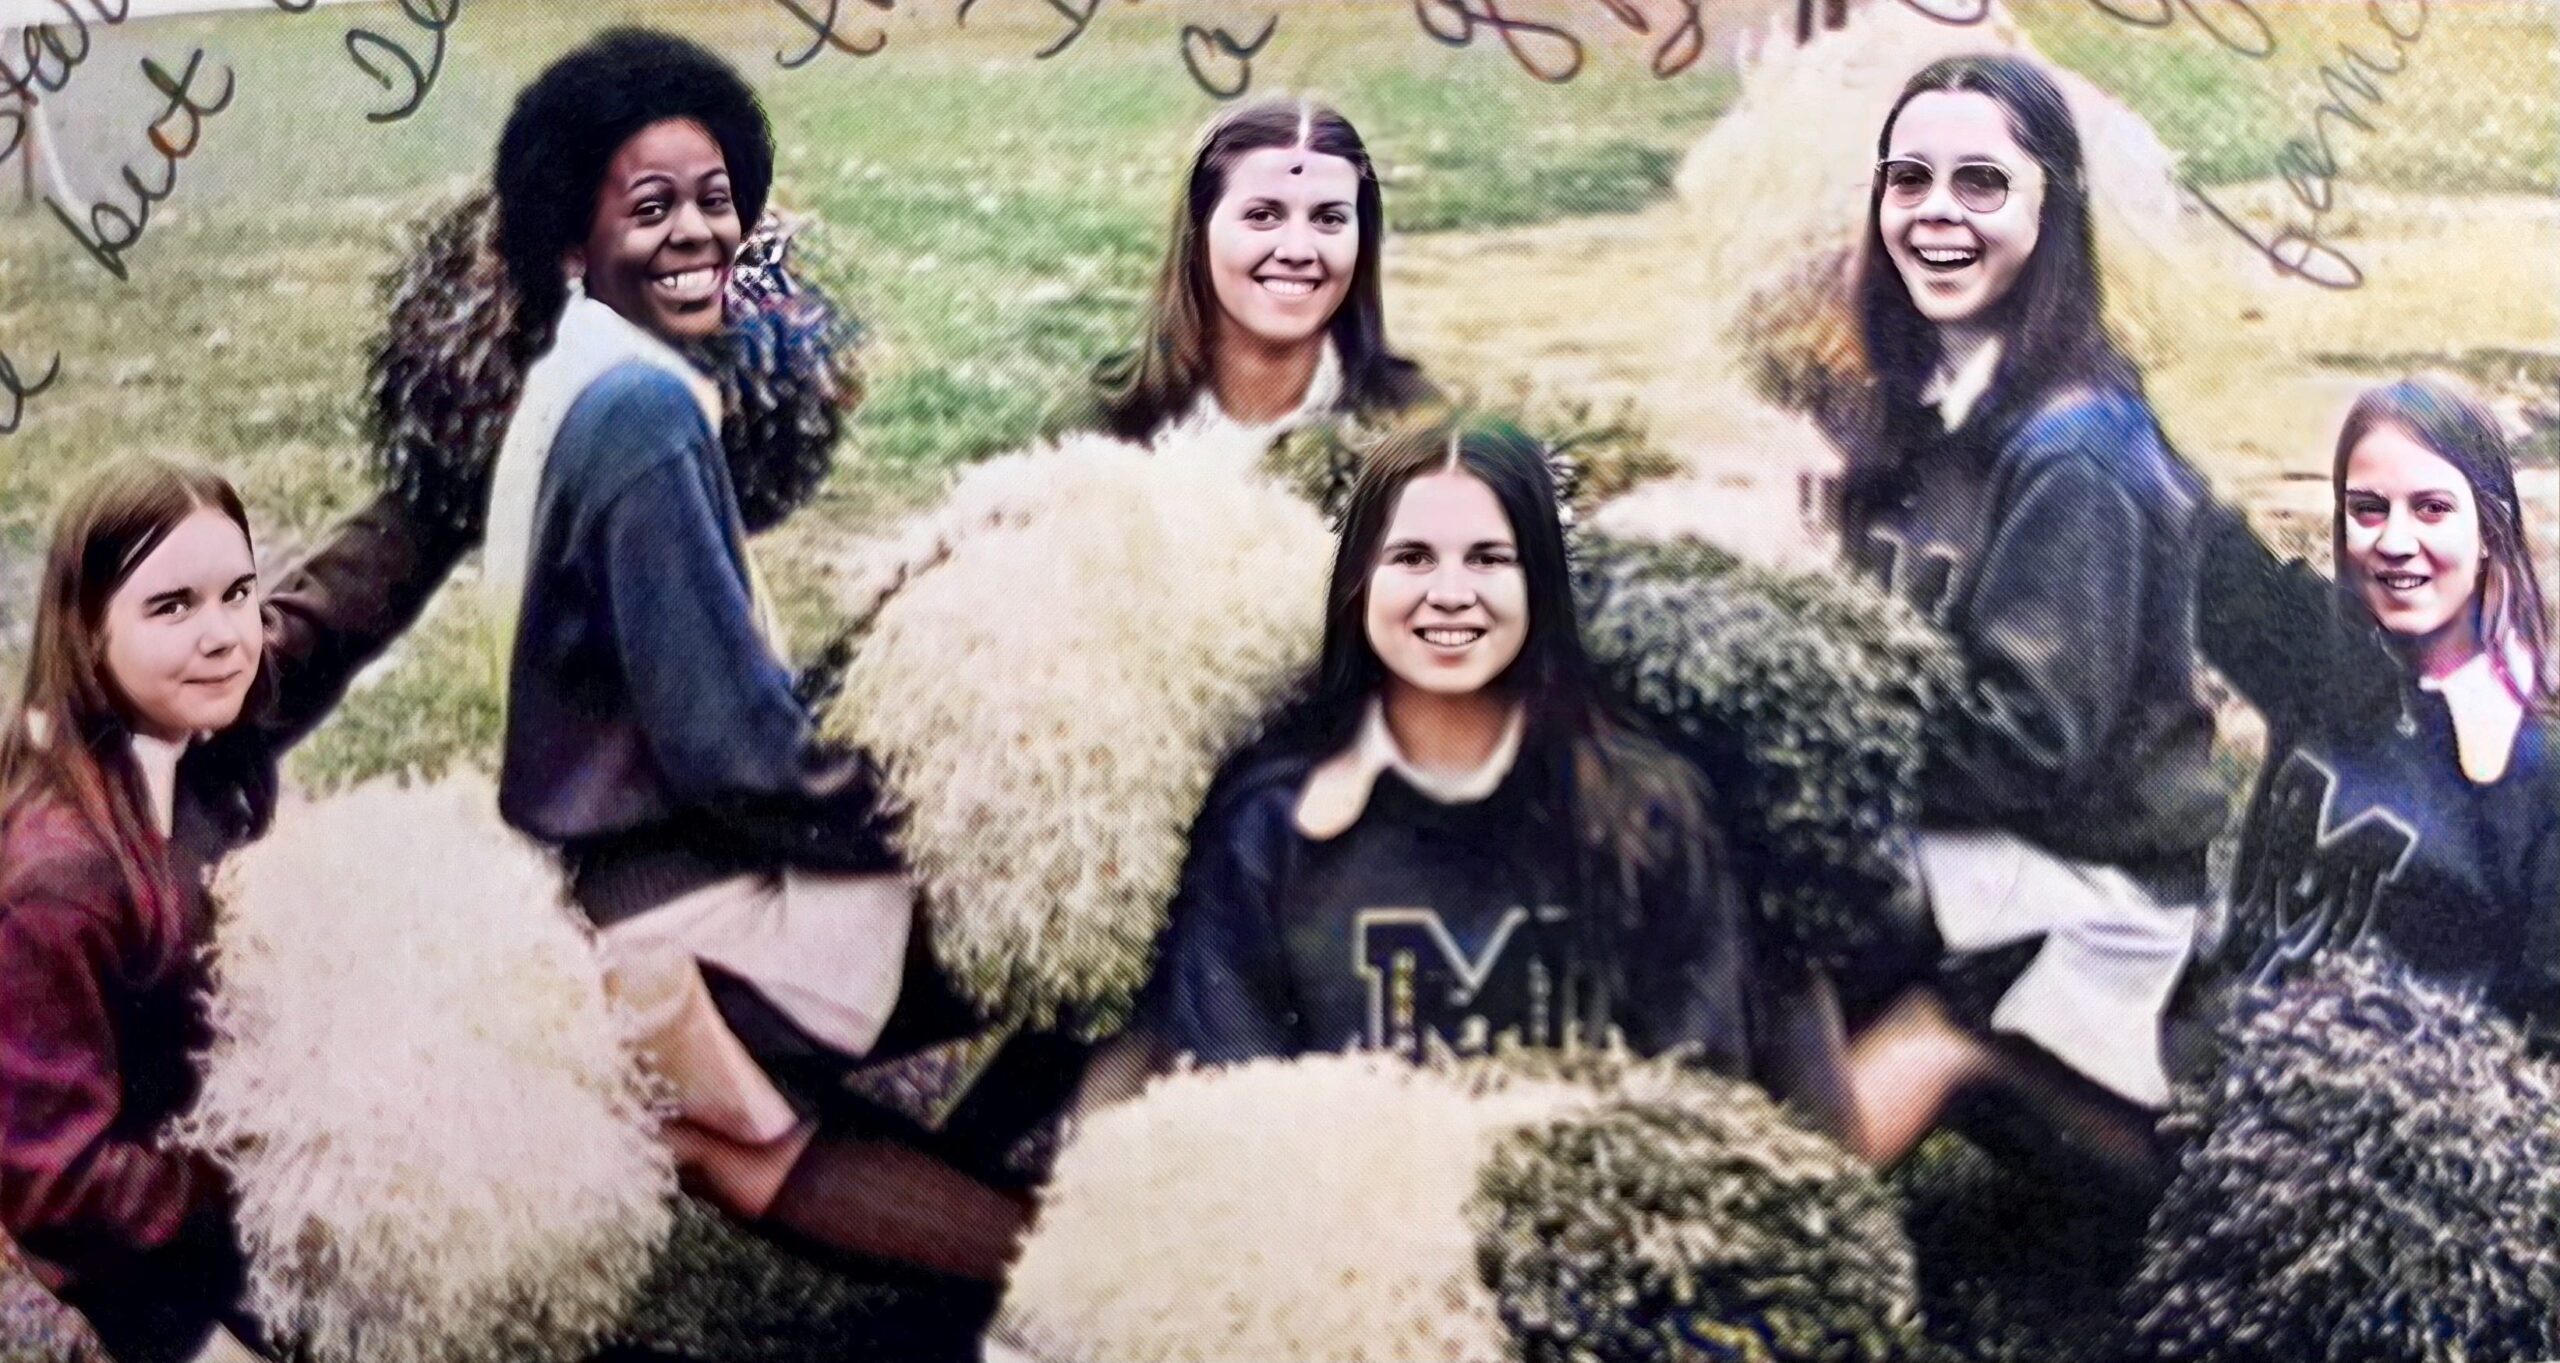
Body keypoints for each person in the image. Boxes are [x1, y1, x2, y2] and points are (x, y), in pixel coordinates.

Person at [482, 27, 1028, 1298]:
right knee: (1088, 887)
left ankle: (1056, 1232)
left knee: (756, 1132)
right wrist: (938, 817)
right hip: (697, 905)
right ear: (571, 238)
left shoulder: (572, 382)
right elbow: (738, 754)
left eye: (719, 200)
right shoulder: (641, 413)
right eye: (651, 206)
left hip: (606, 885)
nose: (697, 233)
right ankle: (1120, 1269)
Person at [1141, 418, 1855, 1136]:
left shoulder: (1649, 807)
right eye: (1412, 557)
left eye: (1488, 558)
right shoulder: (1268, 828)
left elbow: (1699, 1094)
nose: (1450, 593)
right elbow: (1230, 1106)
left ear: (1540, 582)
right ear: (1358, 580)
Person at [1828, 55, 2224, 1185]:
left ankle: (1768, 1218)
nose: (1935, 214)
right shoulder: (1938, 418)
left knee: (1786, 883)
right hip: (1990, 849)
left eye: (1980, 184)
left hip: (2096, 888)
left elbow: (2024, 741)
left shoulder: (2077, 449)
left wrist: (1805, 758)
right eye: (1908, 181)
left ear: (2052, 208)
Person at [0, 457, 466, 1363]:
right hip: (126, 1277)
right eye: (171, 607)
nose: (221, 635)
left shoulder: (196, 731)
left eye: (236, 592)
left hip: (225, 1208)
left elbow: (328, 616)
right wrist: (267, 1174)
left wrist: (448, 481)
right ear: (87, 630)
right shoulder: (56, 880)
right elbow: (53, 1180)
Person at [2197, 375, 2556, 1047]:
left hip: (2382, 1116)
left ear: (2491, 528)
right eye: (2367, 509)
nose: (2394, 540)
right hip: (2224, 1051)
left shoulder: (2542, 764)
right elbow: (2191, 531)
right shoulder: (2319, 653)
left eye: (2431, 509)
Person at [1085, 97, 1435, 458]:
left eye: (1328, 219)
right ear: (1198, 231)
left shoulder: (1417, 432)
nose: (1298, 250)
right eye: (1263, 215)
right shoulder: (1099, 425)